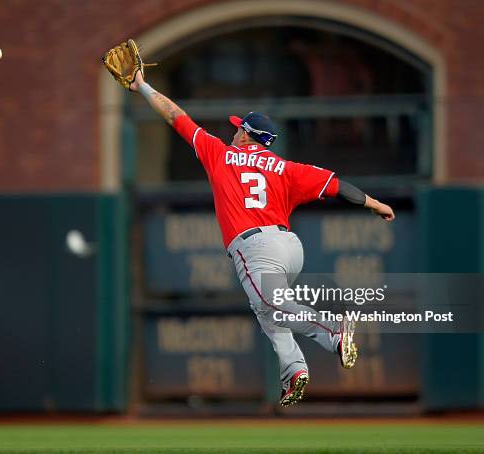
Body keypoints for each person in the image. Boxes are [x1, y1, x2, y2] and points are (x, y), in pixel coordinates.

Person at [129, 70, 395, 407]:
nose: (234, 131)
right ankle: (295, 369)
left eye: (238, 128)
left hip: (254, 246)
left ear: (245, 136)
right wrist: (376, 204)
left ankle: (332, 331)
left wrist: (142, 86)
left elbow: (175, 115)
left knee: (270, 304)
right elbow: (338, 187)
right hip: (290, 248)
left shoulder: (220, 154)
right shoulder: (286, 167)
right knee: (267, 309)